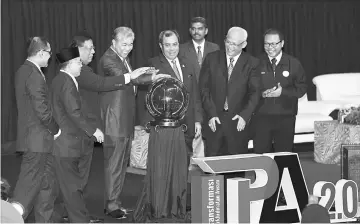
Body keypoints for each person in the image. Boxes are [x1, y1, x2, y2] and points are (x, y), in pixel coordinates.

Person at [98, 26, 168, 219]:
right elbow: (128, 79)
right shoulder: (108, 59)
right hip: (114, 122)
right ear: (114, 42)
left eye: (131, 44)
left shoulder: (122, 58)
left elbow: (134, 79)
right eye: (124, 44)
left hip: (124, 120)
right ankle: (111, 206)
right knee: (114, 165)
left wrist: (151, 76)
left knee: (121, 166)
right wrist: (148, 76)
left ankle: (115, 202)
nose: (128, 48)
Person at [133, 29, 203, 222]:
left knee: (182, 167)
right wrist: (145, 123)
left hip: (186, 126)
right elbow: (140, 85)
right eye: (167, 45)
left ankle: (178, 203)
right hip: (163, 128)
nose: (171, 49)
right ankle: (162, 205)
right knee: (163, 168)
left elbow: (195, 94)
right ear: (160, 46)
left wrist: (197, 120)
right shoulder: (153, 64)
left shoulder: (187, 62)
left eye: (174, 44)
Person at [51, 46, 104, 223]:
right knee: (72, 187)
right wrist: (93, 130)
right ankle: (79, 220)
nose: (81, 65)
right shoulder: (66, 81)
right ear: (70, 63)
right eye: (79, 62)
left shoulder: (61, 79)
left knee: (72, 186)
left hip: (69, 142)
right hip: (67, 144)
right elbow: (73, 112)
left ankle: (80, 217)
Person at [12, 36, 60, 222]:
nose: (50, 57)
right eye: (48, 53)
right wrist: (55, 130)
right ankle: (8, 219)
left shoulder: (24, 70)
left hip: (37, 140)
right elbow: (42, 110)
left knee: (46, 185)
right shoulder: (33, 74)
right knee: (27, 188)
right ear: (41, 53)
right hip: (37, 140)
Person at [199, 27, 261, 156]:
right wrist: (211, 113)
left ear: (244, 44)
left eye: (235, 44)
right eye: (228, 41)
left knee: (236, 167)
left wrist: (245, 115)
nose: (230, 47)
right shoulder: (211, 59)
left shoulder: (252, 63)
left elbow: (255, 93)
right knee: (213, 167)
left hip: (237, 122)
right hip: (214, 121)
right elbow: (204, 89)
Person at [251, 28, 307, 154]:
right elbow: (248, 89)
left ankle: (282, 175)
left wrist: (283, 92)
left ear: (282, 43)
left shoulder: (293, 63)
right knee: (261, 153)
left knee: (284, 155)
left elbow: (302, 88)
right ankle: (262, 175)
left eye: (274, 44)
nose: (270, 47)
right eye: (266, 44)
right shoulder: (255, 63)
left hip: (286, 117)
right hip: (261, 117)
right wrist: (261, 94)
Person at [179, 16, 219, 81]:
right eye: (193, 29)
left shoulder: (214, 48)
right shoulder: (182, 49)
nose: (196, 31)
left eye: (200, 29)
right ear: (190, 31)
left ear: (206, 31)